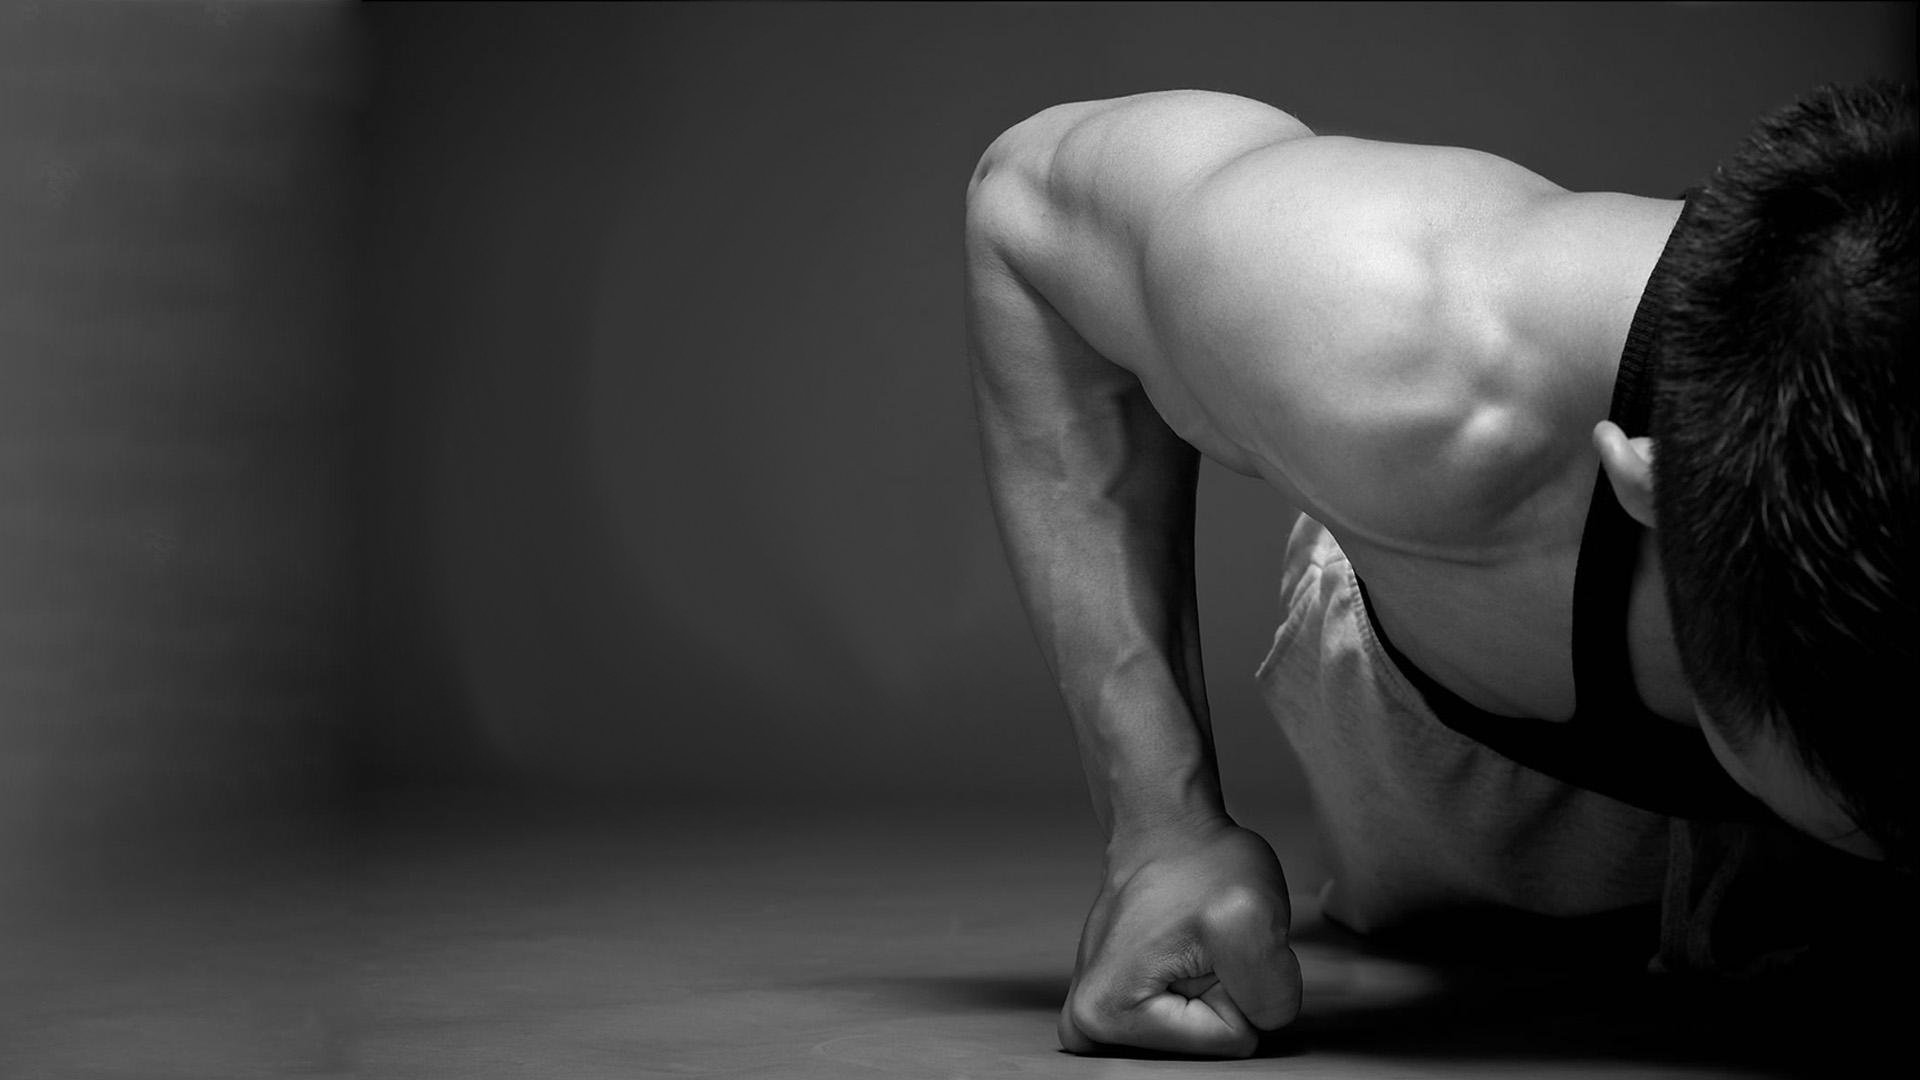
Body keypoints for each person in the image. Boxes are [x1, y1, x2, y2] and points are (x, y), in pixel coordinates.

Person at [963, 82, 1915, 1059]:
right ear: (1659, 492)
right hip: (1480, 658)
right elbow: (1028, 200)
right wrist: (1161, 828)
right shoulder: (1402, 341)